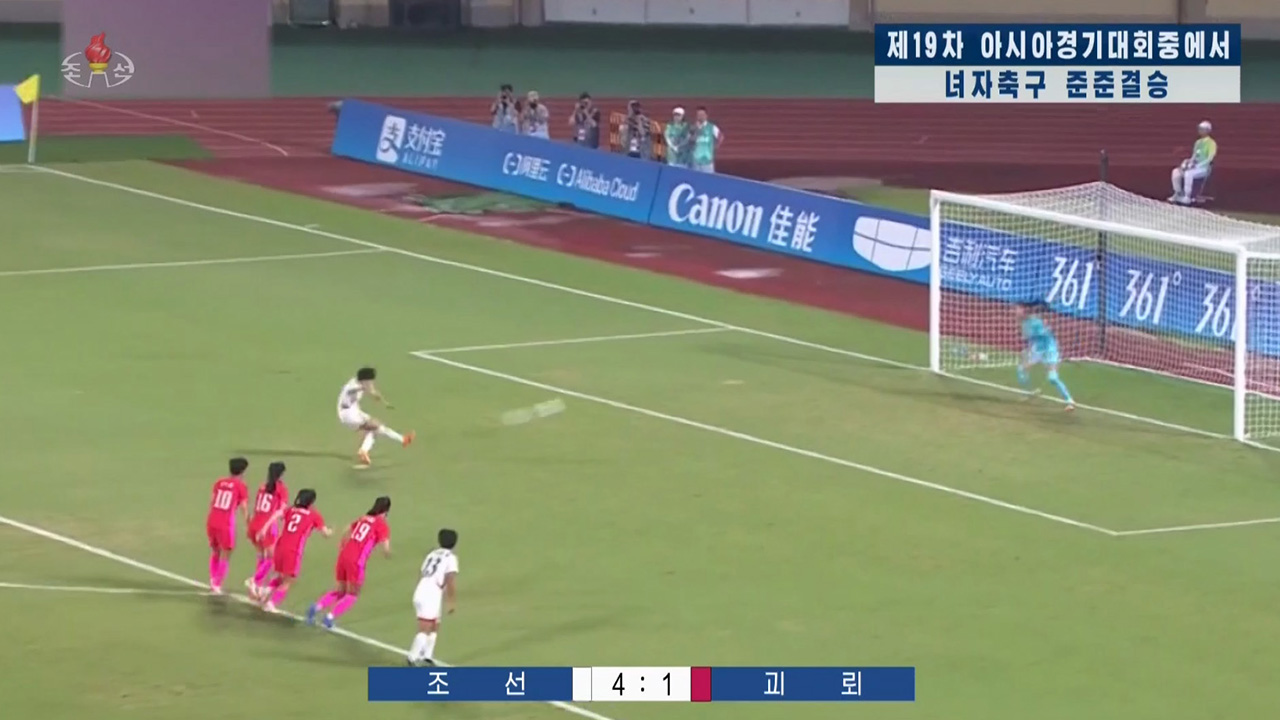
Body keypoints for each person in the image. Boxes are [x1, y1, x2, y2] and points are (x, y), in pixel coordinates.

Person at [306, 496, 392, 629]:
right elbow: (385, 547)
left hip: (344, 555)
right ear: (386, 511)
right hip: (356, 561)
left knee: (339, 591)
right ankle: (329, 618)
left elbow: (347, 529)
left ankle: (316, 607)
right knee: (352, 595)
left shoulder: (363, 518)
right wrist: (387, 553)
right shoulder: (381, 524)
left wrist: (342, 544)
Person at [257, 488, 331, 613]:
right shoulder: (314, 515)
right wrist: (329, 532)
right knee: (289, 580)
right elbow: (325, 533)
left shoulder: (290, 510)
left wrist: (264, 529)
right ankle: (271, 602)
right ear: (311, 502)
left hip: (280, 546)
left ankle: (266, 590)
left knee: (280, 576)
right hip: (293, 550)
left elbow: (276, 514)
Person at [338, 367, 414, 468]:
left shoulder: (362, 382)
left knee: (376, 429)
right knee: (376, 425)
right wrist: (368, 390)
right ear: (364, 379)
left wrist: (383, 401)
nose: (371, 382)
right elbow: (359, 389)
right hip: (348, 415)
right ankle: (402, 440)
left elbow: (372, 390)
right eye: (369, 380)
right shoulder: (352, 386)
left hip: (355, 411)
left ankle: (364, 451)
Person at [407, 528, 459, 666]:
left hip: (425, 590)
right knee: (425, 627)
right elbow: (450, 580)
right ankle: (412, 657)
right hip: (430, 593)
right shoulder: (451, 558)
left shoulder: (431, 554)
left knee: (435, 624)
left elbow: (421, 572)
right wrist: (451, 601)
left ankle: (427, 656)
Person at [1016, 301, 1074, 411]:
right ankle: (1029, 392)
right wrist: (1029, 352)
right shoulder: (1024, 323)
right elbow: (1031, 339)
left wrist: (1045, 326)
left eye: (1018, 309)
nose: (1016, 312)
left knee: (1052, 378)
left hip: (1049, 350)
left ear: (1025, 311)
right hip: (1037, 350)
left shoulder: (1036, 322)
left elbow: (1044, 336)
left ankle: (1069, 400)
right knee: (1021, 370)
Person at [244, 461, 289, 598]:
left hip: (254, 523)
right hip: (266, 527)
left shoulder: (262, 487)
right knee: (271, 558)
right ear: (281, 474)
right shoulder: (281, 488)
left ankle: (256, 588)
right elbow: (281, 509)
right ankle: (254, 580)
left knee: (261, 556)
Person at [205, 457, 250, 594]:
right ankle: (217, 584)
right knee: (226, 553)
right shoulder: (241, 486)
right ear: (243, 471)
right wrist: (248, 523)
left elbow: (212, 501)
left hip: (212, 519)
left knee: (215, 551)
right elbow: (244, 507)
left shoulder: (219, 482)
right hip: (225, 523)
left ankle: (213, 579)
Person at [1170, 120, 1216, 205]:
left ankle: (1187, 196)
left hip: (1203, 168)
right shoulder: (1198, 142)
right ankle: (1178, 193)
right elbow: (1194, 156)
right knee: (1176, 172)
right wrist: (1188, 162)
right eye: (1199, 129)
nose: (1199, 130)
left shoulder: (1211, 143)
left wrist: (1198, 166)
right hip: (1193, 166)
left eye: (1202, 129)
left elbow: (1210, 158)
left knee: (1188, 174)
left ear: (1207, 130)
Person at [689, 106, 723, 173]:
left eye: (702, 114)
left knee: (708, 178)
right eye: (699, 115)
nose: (701, 117)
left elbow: (720, 136)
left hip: (707, 160)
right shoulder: (692, 127)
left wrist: (715, 146)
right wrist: (697, 130)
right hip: (696, 160)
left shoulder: (712, 127)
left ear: (706, 116)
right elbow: (690, 140)